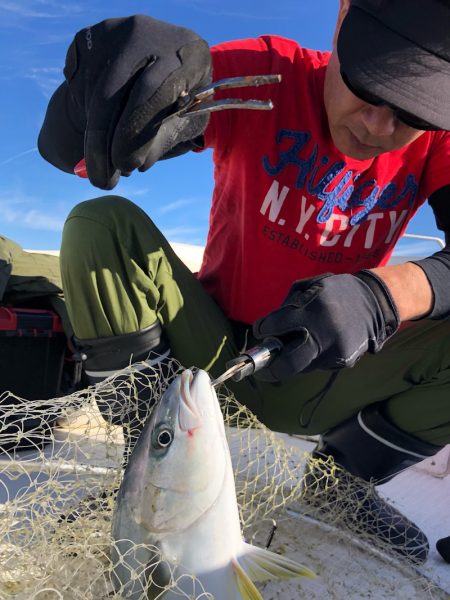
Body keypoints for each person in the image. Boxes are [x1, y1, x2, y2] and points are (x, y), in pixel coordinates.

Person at [37, 0, 450, 563]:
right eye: (368, 85)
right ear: (343, 17)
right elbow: (83, 161)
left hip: (318, 376)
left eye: (416, 113)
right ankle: (151, 474)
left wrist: (382, 298)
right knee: (98, 224)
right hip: (208, 355)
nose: (379, 127)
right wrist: (89, 105)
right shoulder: (268, 73)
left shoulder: (442, 141)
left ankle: (339, 488)